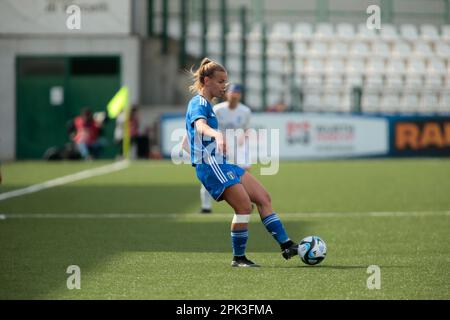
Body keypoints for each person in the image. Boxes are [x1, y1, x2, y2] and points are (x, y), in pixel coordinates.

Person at [182, 58, 298, 267]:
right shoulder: (199, 103)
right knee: (244, 207)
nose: (224, 86)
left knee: (263, 197)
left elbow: (185, 140)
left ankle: (287, 244)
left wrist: (196, 147)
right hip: (211, 165)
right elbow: (200, 126)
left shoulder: (207, 105)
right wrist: (216, 136)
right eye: (220, 81)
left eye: (225, 81)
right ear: (207, 80)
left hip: (222, 163)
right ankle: (239, 258)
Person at [199, 83, 252, 214]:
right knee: (210, 174)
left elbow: (247, 129)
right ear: (227, 94)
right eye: (232, 93)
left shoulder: (245, 111)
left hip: (235, 147)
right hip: (217, 146)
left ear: (240, 95)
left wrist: (242, 140)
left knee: (243, 174)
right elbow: (209, 127)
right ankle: (206, 206)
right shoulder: (218, 109)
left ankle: (246, 201)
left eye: (237, 93)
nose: (234, 96)